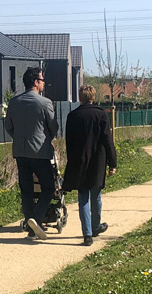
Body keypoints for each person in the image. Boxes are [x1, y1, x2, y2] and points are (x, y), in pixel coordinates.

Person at [4, 66, 59, 240]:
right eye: (42, 80)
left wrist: (19, 138)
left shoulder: (14, 102)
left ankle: (30, 226)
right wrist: (47, 138)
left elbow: (8, 127)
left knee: (26, 190)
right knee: (48, 187)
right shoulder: (45, 103)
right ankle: (36, 218)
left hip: (20, 152)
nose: (44, 84)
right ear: (36, 82)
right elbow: (53, 127)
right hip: (40, 152)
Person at [62, 85, 118, 246]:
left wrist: (71, 163)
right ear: (93, 96)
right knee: (96, 195)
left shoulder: (72, 116)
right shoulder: (100, 115)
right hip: (97, 160)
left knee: (83, 197)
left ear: (80, 97)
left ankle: (87, 234)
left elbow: (69, 143)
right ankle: (95, 226)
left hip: (79, 160)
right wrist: (112, 163)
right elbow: (108, 140)